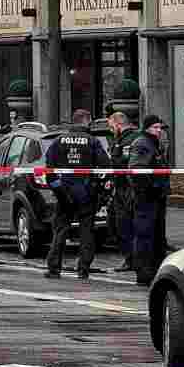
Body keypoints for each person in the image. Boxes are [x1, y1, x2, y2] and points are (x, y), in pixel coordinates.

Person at [44, 108, 111, 279]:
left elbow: (49, 168)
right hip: (86, 192)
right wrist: (99, 187)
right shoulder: (92, 141)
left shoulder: (58, 141)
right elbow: (104, 166)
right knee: (86, 231)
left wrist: (58, 189)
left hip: (64, 191)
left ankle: (54, 268)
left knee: (60, 230)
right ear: (86, 121)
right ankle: (83, 268)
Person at [129, 115, 171, 286]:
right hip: (146, 198)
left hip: (156, 197)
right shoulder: (142, 143)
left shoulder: (154, 143)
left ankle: (154, 271)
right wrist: (148, 189)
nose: (159, 131)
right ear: (146, 128)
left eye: (160, 128)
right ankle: (144, 272)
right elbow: (137, 171)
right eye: (155, 127)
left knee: (157, 236)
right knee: (145, 235)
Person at [106, 111, 140, 272]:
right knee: (118, 224)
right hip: (119, 188)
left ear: (118, 124)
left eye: (111, 126)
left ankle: (133, 259)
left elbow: (124, 163)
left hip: (128, 188)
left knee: (126, 224)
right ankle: (130, 258)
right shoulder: (120, 139)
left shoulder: (130, 139)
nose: (110, 129)